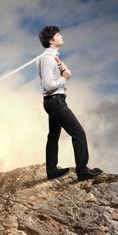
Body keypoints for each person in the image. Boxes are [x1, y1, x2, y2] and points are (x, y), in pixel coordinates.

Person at [37, 26, 102, 181]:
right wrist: (65, 77)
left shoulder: (53, 57)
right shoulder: (47, 58)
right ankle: (82, 170)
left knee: (53, 135)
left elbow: (55, 80)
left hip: (55, 100)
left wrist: (65, 73)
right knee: (79, 133)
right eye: (58, 35)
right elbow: (47, 85)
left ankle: (51, 170)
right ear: (51, 40)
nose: (62, 36)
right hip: (54, 101)